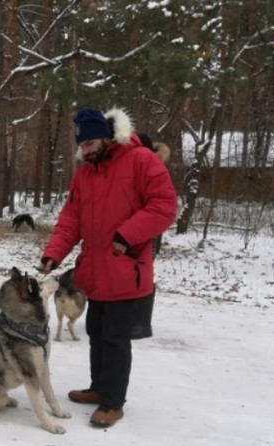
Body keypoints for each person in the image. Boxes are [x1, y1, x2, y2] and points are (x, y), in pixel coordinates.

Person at [38, 108, 177, 428]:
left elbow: (164, 206)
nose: (84, 151)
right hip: (96, 269)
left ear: (106, 137)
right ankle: (99, 388)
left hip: (126, 268)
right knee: (97, 333)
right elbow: (70, 220)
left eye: (89, 144)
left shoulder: (141, 160)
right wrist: (52, 255)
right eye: (81, 146)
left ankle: (113, 402)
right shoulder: (85, 174)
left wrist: (127, 234)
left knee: (115, 338)